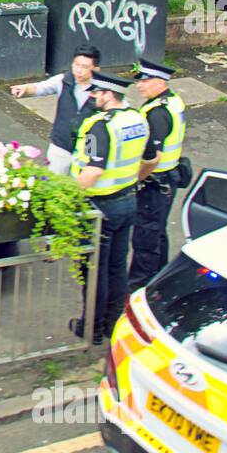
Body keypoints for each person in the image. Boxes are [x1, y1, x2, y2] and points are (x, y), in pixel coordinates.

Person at [68, 73, 148, 344]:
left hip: (100, 207)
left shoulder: (100, 127)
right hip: (128, 201)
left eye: (96, 92)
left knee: (94, 271)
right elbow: (148, 160)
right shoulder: (136, 119)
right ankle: (115, 323)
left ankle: (92, 327)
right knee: (116, 266)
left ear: (108, 95)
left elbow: (92, 172)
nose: (93, 96)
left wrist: (68, 195)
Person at [129, 57, 187, 289]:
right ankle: (160, 279)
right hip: (168, 180)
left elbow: (154, 157)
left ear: (161, 83)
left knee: (146, 238)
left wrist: (137, 179)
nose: (140, 85)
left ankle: (138, 288)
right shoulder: (173, 101)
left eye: (145, 81)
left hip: (155, 183)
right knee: (158, 233)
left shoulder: (157, 113)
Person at [10, 45, 101, 175]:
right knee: (55, 180)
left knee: (85, 183)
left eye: (85, 67)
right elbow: (42, 87)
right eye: (76, 65)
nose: (79, 70)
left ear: (96, 69)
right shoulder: (64, 80)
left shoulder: (103, 90)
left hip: (89, 145)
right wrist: (25, 89)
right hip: (61, 143)